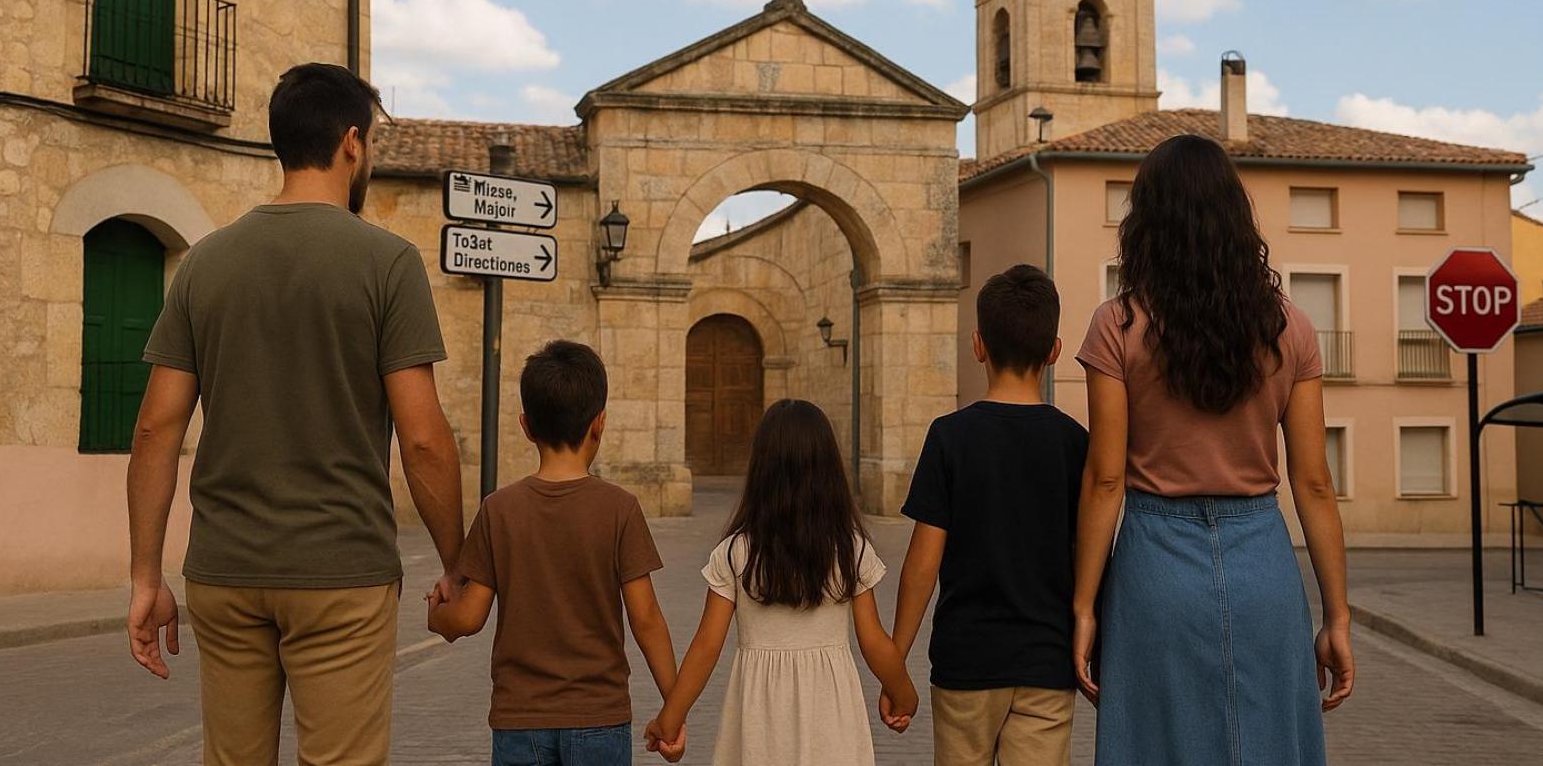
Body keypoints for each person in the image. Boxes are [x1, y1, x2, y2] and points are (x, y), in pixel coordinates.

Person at [123, 62, 466, 765]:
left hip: (224, 571)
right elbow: (424, 440)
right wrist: (457, 565)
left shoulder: (204, 264)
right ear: (351, 143)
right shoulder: (387, 263)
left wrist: (146, 578)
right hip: (342, 573)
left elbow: (156, 429)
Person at [1072, 134, 1355, 766]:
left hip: (1153, 567)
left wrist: (1084, 605)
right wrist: (1337, 616)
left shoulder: (1116, 325)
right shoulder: (1290, 326)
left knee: (1154, 746)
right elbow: (1313, 484)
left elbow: (1105, 480)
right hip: (1263, 566)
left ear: (1145, 221)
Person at [427, 339, 682, 766]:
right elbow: (647, 618)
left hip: (519, 720)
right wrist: (674, 710)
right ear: (600, 423)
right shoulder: (620, 508)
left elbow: (468, 618)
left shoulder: (499, 509)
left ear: (526, 426)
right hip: (599, 715)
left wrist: (436, 614)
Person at [888, 264, 1091, 766]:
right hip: (1046, 662)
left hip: (966, 661)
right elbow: (1086, 554)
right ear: (1054, 351)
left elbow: (922, 565)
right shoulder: (1075, 443)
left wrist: (895, 662)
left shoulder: (949, 437)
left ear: (978, 345)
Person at [643, 399, 918, 766]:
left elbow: (707, 646)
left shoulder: (735, 552)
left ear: (760, 471)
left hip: (760, 712)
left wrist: (670, 719)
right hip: (830, 711)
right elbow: (873, 640)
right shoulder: (849, 549)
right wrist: (904, 694)